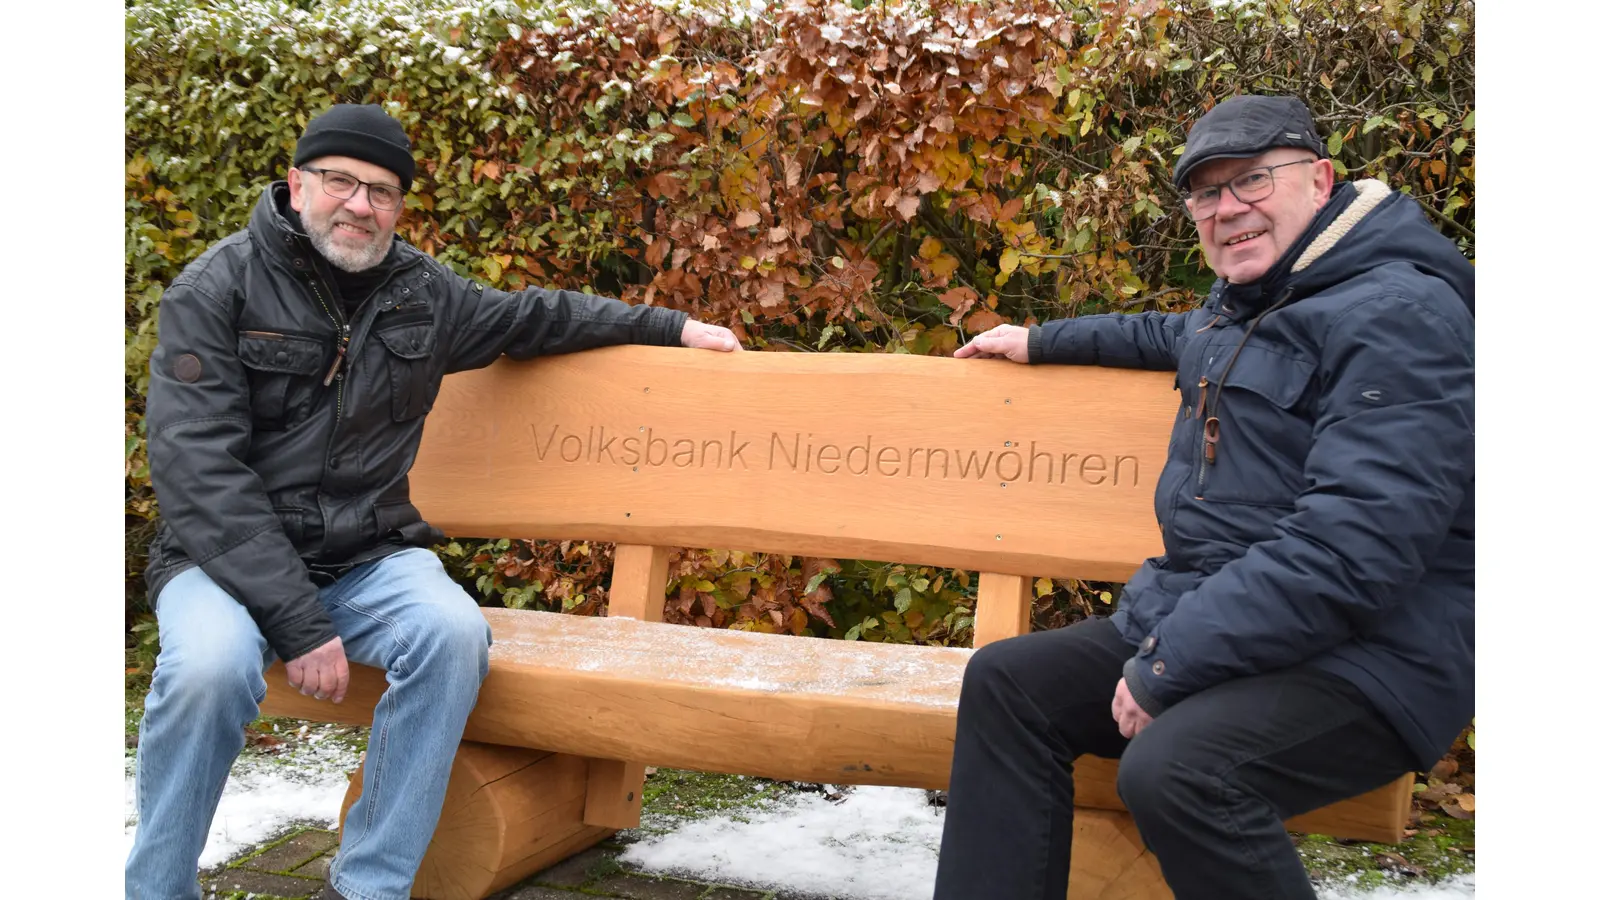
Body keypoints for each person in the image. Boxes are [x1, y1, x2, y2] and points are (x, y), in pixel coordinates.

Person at [126, 103, 742, 900]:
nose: (360, 205)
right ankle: (157, 888)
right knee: (208, 668)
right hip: (221, 564)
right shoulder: (216, 287)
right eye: (340, 182)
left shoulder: (423, 292)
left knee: (452, 636)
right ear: (295, 184)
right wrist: (300, 623)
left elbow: (534, 317)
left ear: (399, 205)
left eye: (381, 191)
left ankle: (367, 886)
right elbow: (198, 471)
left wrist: (674, 326)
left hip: (365, 556)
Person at [935, 95, 1474, 898]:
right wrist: (1040, 339)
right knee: (1007, 683)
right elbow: (1167, 335)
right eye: (1206, 194)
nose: (1228, 210)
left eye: (1252, 181)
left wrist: (1172, 663)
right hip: (1227, 621)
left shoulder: (1398, 314)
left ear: (1319, 179)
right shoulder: (1258, 301)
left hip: (1372, 658)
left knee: (1179, 771)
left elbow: (1354, 547)